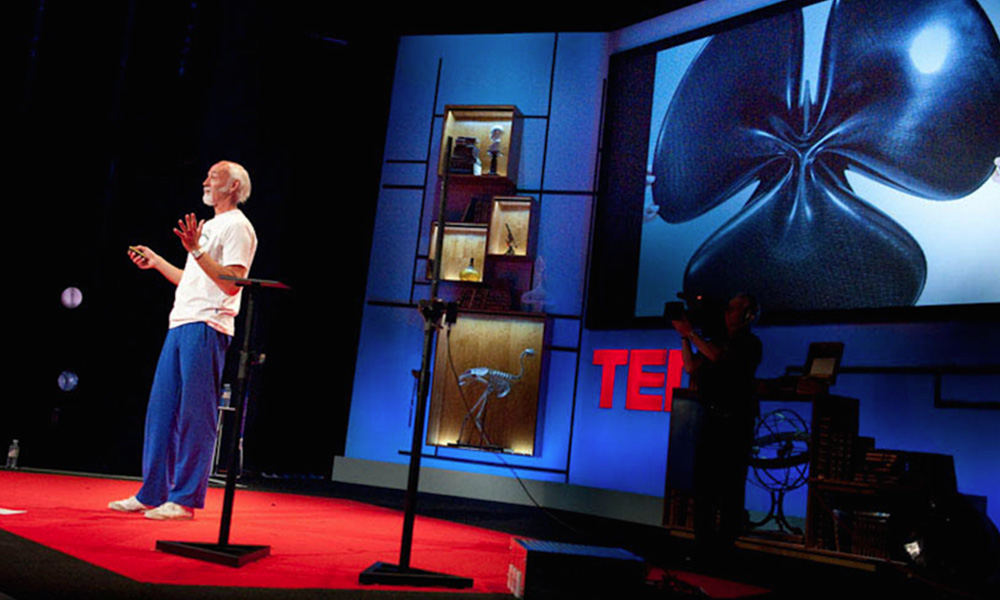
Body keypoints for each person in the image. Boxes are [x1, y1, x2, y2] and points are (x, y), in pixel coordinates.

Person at [109, 160, 258, 520]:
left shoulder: (239, 227)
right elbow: (194, 279)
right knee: (162, 412)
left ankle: (186, 498)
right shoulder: (209, 226)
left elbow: (229, 282)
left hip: (208, 326)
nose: (206, 181)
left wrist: (195, 250)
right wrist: (159, 261)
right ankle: (152, 492)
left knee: (195, 414)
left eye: (215, 177)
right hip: (181, 322)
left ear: (234, 187)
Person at [672, 293, 762, 558]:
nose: (727, 312)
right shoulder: (718, 341)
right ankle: (703, 546)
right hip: (710, 420)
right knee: (704, 486)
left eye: (734, 308)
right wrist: (684, 336)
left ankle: (725, 548)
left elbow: (718, 357)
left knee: (730, 487)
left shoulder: (750, 344)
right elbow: (690, 366)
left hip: (735, 423)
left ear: (748, 314)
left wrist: (692, 334)